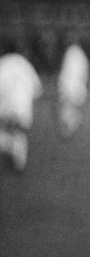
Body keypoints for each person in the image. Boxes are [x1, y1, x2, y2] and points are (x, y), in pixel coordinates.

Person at [0, 43, 42, 173]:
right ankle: (19, 161)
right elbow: (37, 90)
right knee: (19, 134)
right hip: (24, 109)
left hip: (6, 107)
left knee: (6, 133)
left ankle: (12, 150)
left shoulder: (3, 63)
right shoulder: (25, 64)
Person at [57, 41, 90, 138]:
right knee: (70, 108)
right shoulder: (80, 55)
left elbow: (67, 72)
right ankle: (71, 124)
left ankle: (70, 126)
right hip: (77, 87)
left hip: (71, 87)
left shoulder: (73, 53)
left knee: (68, 108)